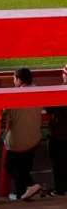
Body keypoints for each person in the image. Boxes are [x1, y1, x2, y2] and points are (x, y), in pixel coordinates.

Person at [3, 68, 42, 201]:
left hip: (17, 141)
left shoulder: (14, 96)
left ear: (19, 80)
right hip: (34, 139)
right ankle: (23, 194)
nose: (13, 81)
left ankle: (31, 185)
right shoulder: (38, 91)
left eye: (14, 78)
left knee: (10, 166)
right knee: (24, 168)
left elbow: (7, 122)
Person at [47, 64, 67, 196]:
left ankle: (60, 190)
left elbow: (50, 108)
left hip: (60, 135)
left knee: (59, 164)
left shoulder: (61, 91)